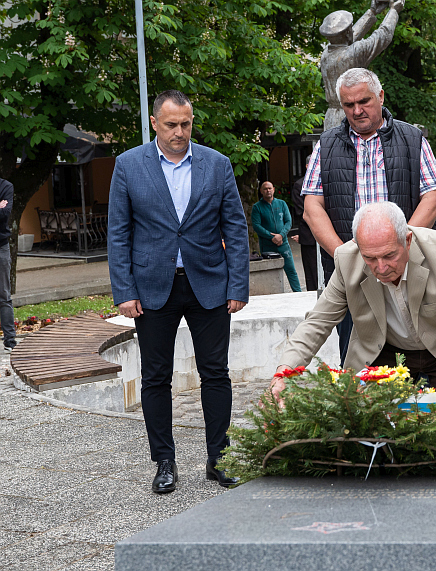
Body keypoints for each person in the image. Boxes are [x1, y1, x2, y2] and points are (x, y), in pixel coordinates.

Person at [107, 89, 250, 494]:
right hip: (152, 288)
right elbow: (118, 234)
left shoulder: (217, 164)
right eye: (171, 124)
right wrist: (124, 290)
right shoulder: (128, 165)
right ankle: (164, 463)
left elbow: (235, 229)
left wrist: (237, 284)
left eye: (186, 124)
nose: (179, 132)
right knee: (155, 378)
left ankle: (220, 458)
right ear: (155, 122)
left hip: (209, 285)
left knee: (216, 374)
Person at [269, 202, 436, 438]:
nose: (381, 267)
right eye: (370, 258)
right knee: (369, 428)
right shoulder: (347, 259)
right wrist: (282, 376)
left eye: (389, 255)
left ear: (407, 240)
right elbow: (317, 323)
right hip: (384, 353)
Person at [302, 67, 436, 365]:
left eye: (364, 101)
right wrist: (347, 257)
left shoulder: (412, 138)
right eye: (348, 105)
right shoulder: (325, 146)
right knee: (358, 368)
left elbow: (432, 200)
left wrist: (399, 249)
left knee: (415, 364)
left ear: (380, 96)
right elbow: (312, 209)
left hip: (407, 271)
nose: (357, 110)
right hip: (351, 279)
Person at [318, 0, 404, 131]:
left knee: (332, 149)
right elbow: (383, 36)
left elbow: (349, 36)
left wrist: (372, 12)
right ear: (347, 33)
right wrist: (393, 10)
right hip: (351, 116)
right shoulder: (353, 53)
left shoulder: (326, 54)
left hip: (331, 117)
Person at [252, 181, 302, 292]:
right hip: (267, 245)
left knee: (291, 270)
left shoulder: (282, 204)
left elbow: (288, 221)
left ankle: (298, 294)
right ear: (261, 191)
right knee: (269, 271)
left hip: (283, 244)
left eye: (269, 188)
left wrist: (281, 235)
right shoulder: (257, 207)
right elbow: (256, 226)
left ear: (273, 189)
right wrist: (271, 237)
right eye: (265, 189)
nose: (268, 190)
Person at [291, 156, 318, 292]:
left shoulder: (325, 181)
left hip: (329, 231)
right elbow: (301, 212)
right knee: (311, 271)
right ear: (308, 165)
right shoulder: (299, 184)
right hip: (309, 235)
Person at [0, 177, 14, 352]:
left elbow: (5, 213)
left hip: (1, 246)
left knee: (4, 294)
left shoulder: (6, 186)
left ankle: (10, 340)